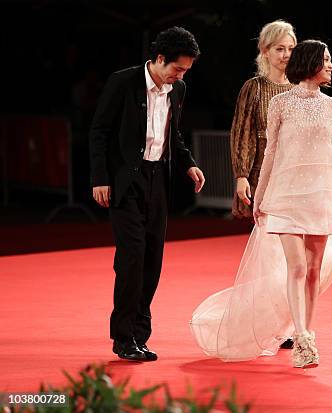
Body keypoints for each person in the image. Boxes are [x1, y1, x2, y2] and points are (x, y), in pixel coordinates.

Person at [190, 40, 332, 368]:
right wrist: (259, 196)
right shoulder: (280, 104)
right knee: (297, 267)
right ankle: (302, 338)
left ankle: (306, 332)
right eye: (326, 60)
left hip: (321, 197)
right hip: (286, 197)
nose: (331, 66)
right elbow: (270, 152)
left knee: (313, 271)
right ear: (311, 63)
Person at [90, 27, 205, 361]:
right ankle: (124, 337)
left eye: (185, 71)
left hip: (157, 181)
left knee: (153, 260)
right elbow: (99, 132)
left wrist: (189, 164)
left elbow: (174, 135)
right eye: (177, 69)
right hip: (126, 181)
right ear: (158, 59)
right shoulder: (122, 83)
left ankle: (140, 336)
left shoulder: (177, 89)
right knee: (132, 258)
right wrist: (100, 178)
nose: (180, 76)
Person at [231, 20, 296, 220]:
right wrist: (241, 176)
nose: (286, 54)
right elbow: (241, 133)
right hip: (262, 173)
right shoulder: (254, 87)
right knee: (268, 234)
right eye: (280, 49)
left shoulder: (299, 88)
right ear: (265, 51)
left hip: (293, 171)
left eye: (291, 49)